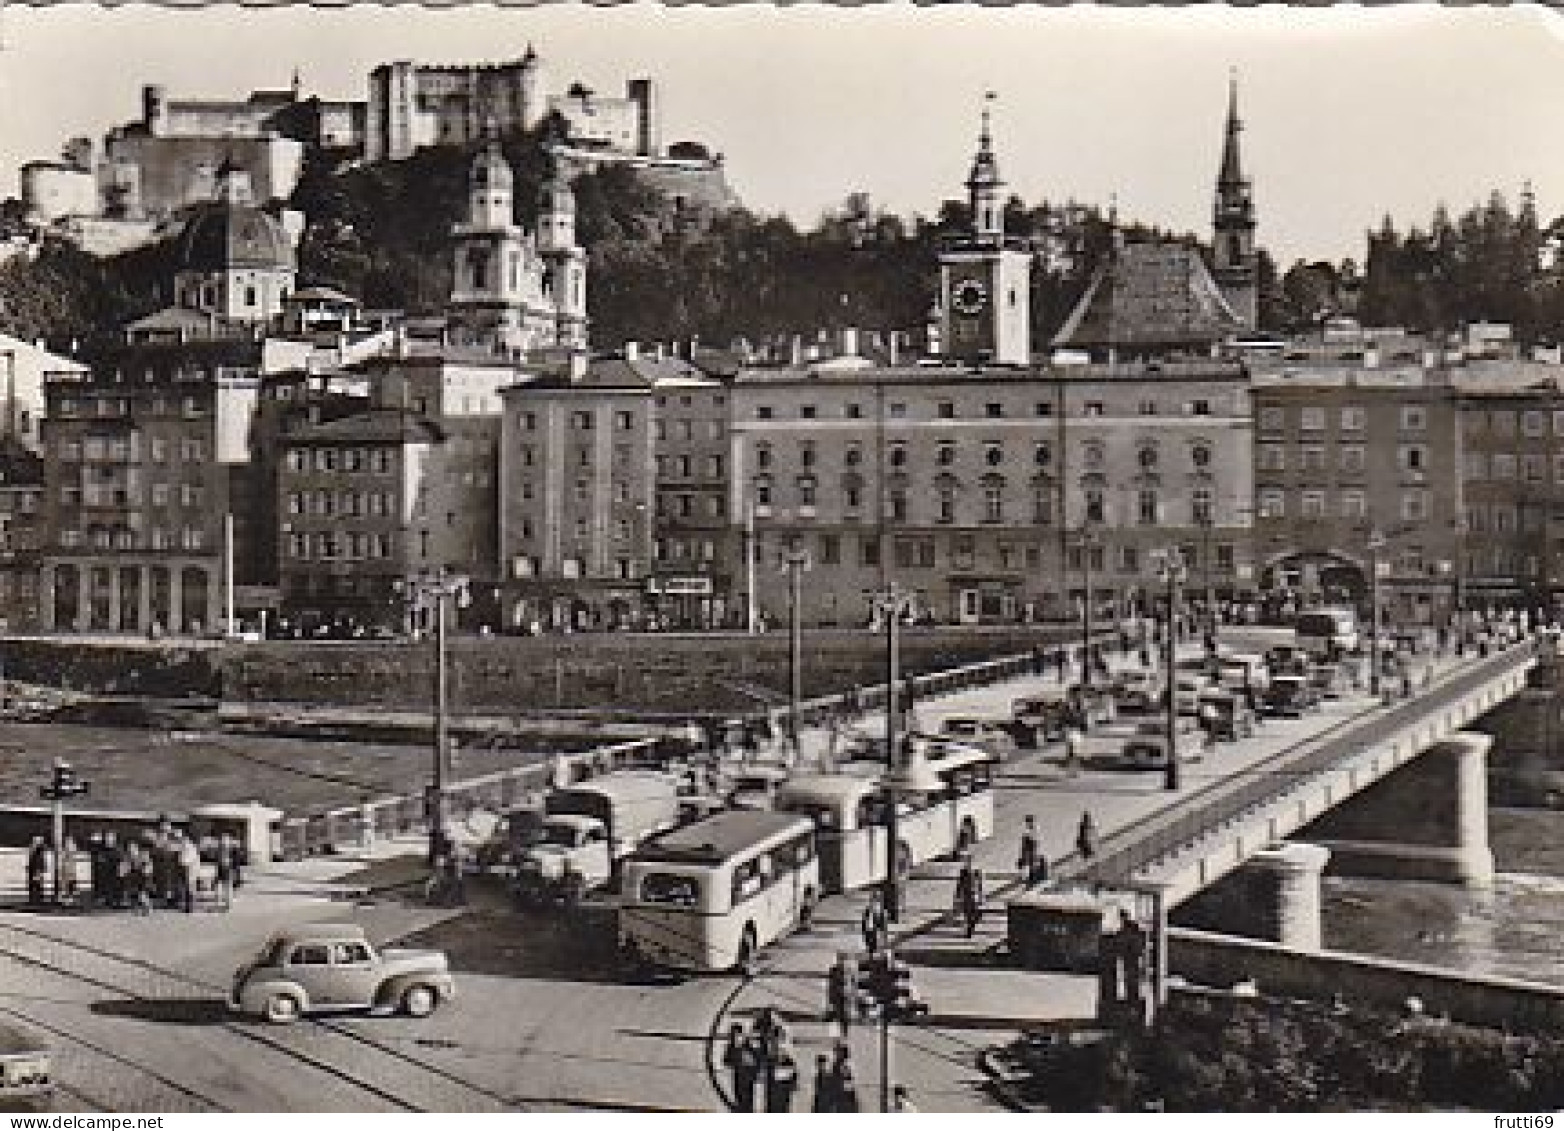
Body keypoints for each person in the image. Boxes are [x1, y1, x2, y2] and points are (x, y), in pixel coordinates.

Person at [723, 1023, 761, 1112]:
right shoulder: (733, 1046)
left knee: (746, 1099)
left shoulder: (747, 1045)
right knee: (741, 1097)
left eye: (738, 1034)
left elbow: (756, 1059)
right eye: (734, 1034)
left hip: (746, 1074)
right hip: (740, 1075)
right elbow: (727, 1061)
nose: (736, 1037)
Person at [764, 1032, 799, 1113]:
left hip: (782, 1094)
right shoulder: (770, 1062)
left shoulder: (789, 1061)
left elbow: (793, 1077)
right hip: (773, 1096)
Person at [826, 952, 856, 1037]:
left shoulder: (848, 971)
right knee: (839, 1015)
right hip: (837, 995)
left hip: (845, 994)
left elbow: (853, 983)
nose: (841, 961)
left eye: (842, 960)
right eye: (839, 959)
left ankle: (843, 1032)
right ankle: (841, 1033)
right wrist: (829, 999)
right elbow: (830, 984)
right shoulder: (833, 970)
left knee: (844, 1014)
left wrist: (852, 994)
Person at [954, 858, 984, 938]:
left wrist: (980, 896)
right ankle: (969, 930)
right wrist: (957, 896)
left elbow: (979, 885)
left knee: (975, 914)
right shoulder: (963, 872)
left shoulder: (977, 872)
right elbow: (959, 884)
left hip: (974, 895)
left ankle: (970, 927)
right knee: (968, 914)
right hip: (966, 895)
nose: (968, 864)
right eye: (967, 862)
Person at [214, 832, 239, 911]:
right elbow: (216, 859)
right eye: (223, 839)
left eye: (225, 839)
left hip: (228, 868)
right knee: (220, 886)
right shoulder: (219, 849)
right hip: (221, 868)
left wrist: (235, 870)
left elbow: (236, 861)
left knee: (227, 886)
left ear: (229, 840)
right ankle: (221, 902)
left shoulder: (233, 849)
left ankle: (228, 904)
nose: (224, 841)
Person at [1017, 815, 1044, 886]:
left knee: (1032, 864)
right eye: (1027, 822)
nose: (1027, 824)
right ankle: (1029, 879)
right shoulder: (1029, 829)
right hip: (1030, 847)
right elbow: (1025, 841)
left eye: (1028, 822)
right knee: (1028, 863)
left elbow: (1034, 840)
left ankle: (1032, 880)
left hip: (1032, 847)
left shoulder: (1034, 829)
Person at [861, 889, 889, 954]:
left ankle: (874, 949)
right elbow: (865, 924)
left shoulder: (880, 911)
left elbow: (883, 927)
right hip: (871, 929)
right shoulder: (868, 910)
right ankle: (873, 949)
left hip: (874, 927)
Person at [25, 837, 47, 906]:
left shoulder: (38, 852)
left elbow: (38, 861)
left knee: (36, 885)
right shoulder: (37, 851)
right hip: (35, 870)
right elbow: (34, 860)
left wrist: (40, 869)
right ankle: (35, 899)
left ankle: (36, 899)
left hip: (36, 870)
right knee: (35, 885)